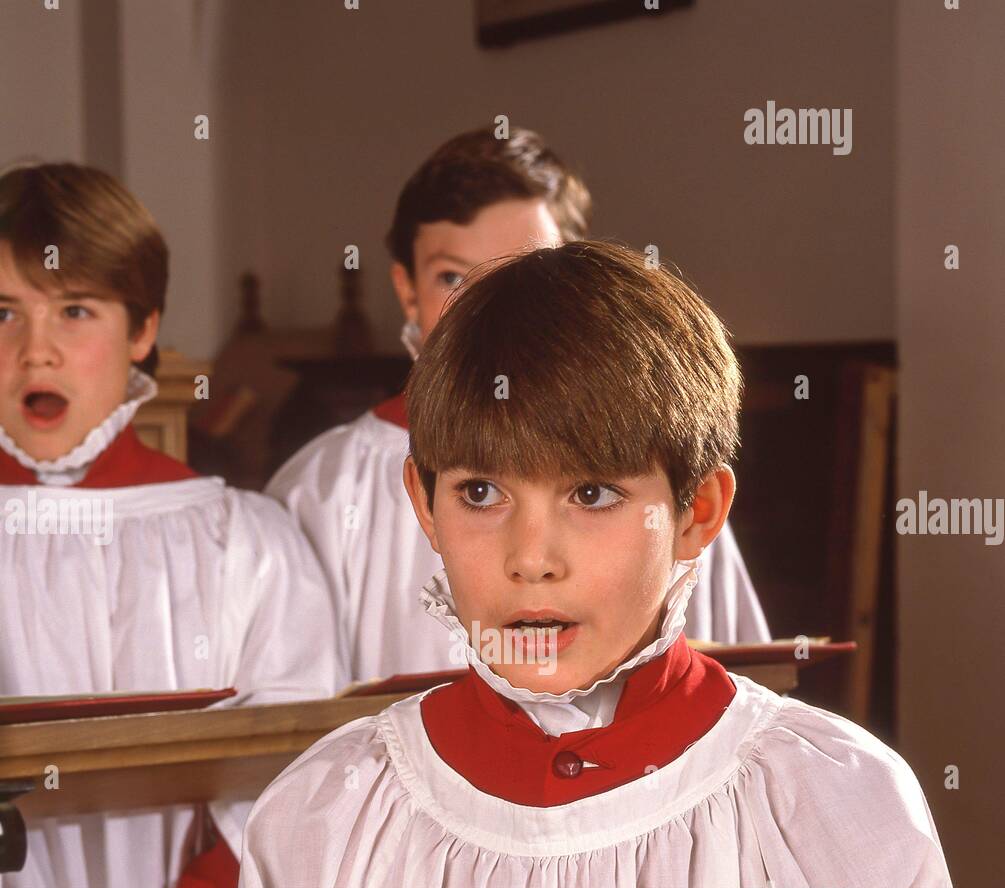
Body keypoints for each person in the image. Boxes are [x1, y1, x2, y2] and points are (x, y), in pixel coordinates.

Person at [195, 241, 1000, 888]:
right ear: (421, 503)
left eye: (590, 491)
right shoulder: (326, 827)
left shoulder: (842, 811)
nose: (532, 555)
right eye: (482, 491)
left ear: (699, 514)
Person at [0, 163, 334, 888]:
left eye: (75, 310)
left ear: (143, 328)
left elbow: (285, 805)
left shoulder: (242, 543)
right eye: (3, 313)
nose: (36, 350)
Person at [267, 128, 769, 689]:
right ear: (407, 290)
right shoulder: (320, 488)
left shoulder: (656, 474)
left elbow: (730, 684)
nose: (494, 304)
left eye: (590, 493)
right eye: (454, 277)